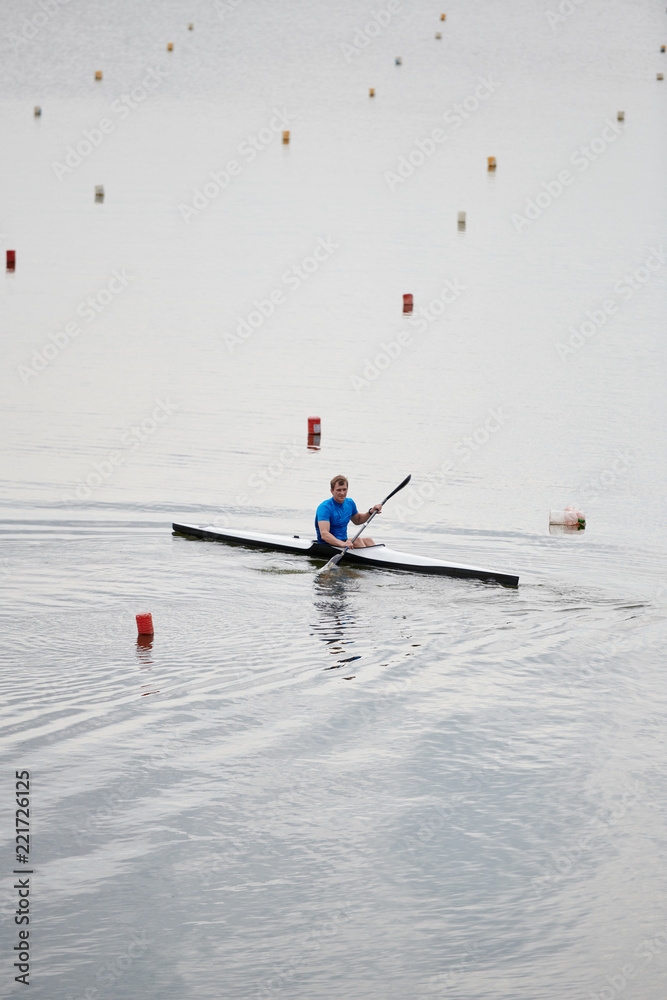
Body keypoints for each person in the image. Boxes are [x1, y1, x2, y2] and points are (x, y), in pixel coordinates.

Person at [315, 475, 383, 549]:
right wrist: (342, 544)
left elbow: (358, 520)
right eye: (339, 490)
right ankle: (367, 560)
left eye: (344, 489)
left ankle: (380, 559)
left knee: (368, 540)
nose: (342, 493)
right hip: (327, 544)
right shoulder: (325, 507)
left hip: (343, 542)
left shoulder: (350, 503)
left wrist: (371, 512)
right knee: (357, 540)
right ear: (332, 491)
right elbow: (324, 534)